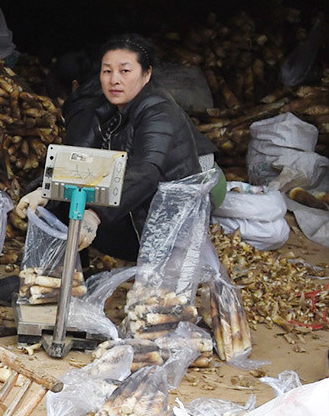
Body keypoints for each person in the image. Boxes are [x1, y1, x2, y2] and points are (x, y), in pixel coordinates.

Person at [21, 33, 217, 262]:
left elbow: (147, 170)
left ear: (146, 75)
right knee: (60, 203)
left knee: (76, 209)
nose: (114, 80)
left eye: (125, 71)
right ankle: (59, 282)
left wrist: (95, 215)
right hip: (134, 212)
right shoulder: (104, 109)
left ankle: (69, 276)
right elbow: (80, 159)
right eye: (107, 71)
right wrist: (44, 191)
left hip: (164, 227)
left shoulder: (160, 112)